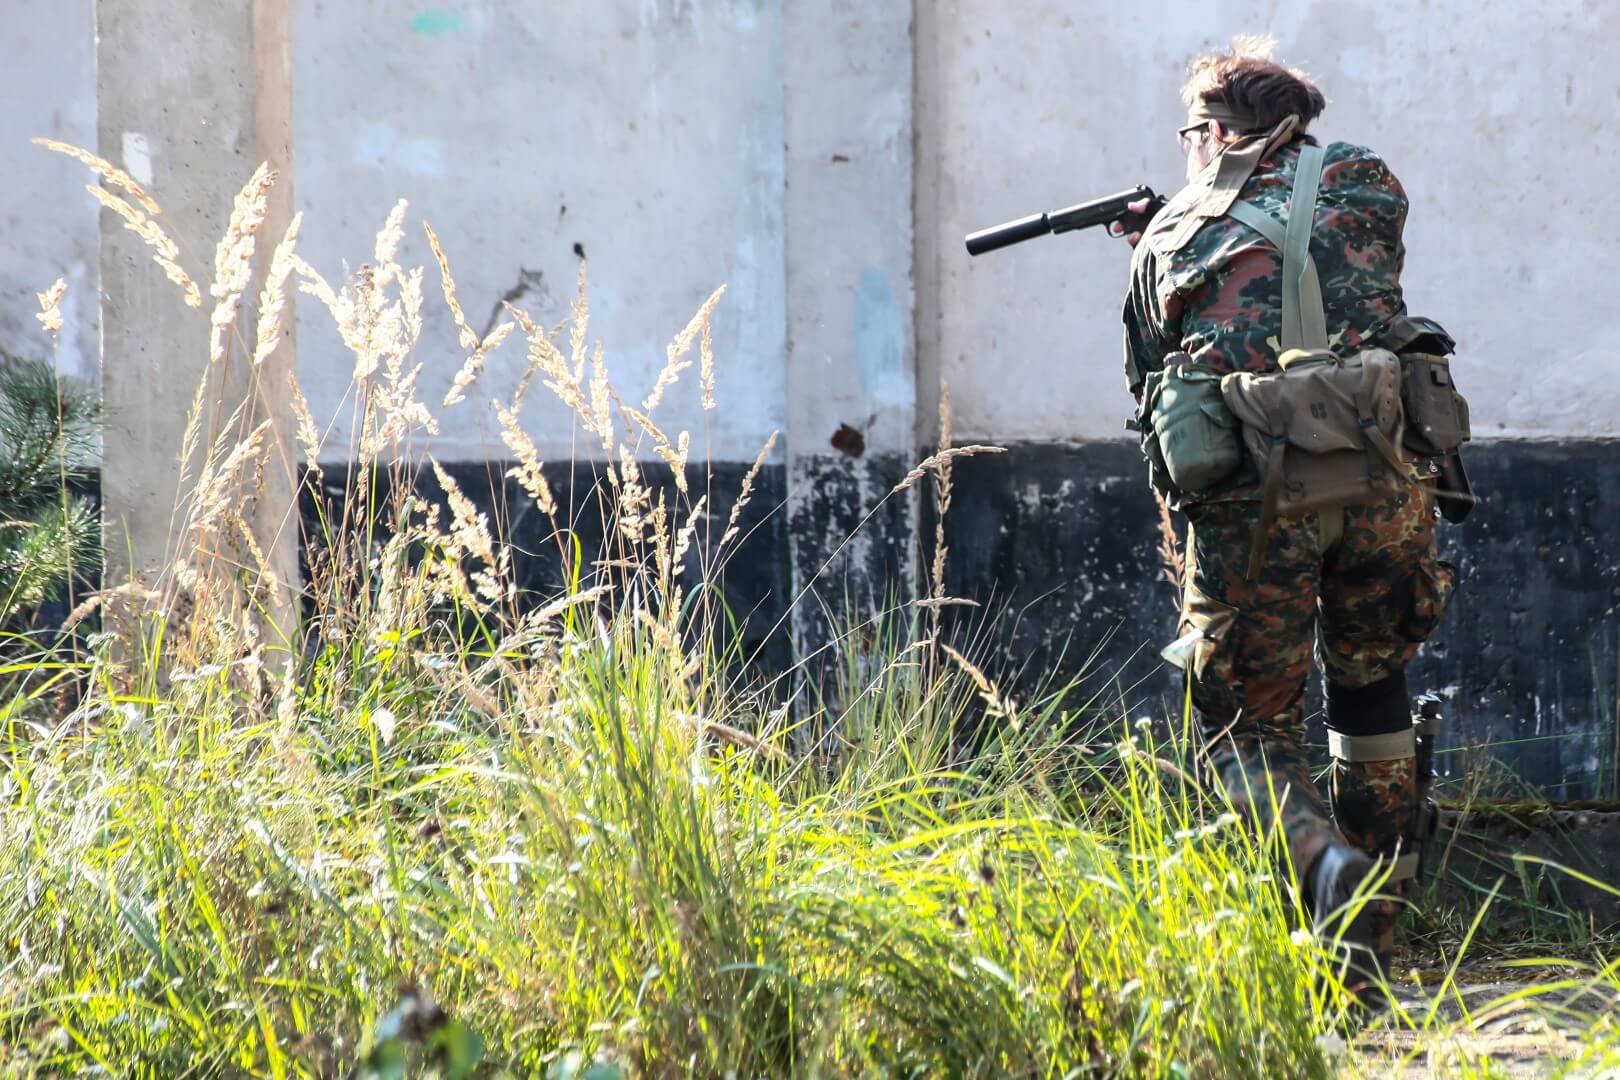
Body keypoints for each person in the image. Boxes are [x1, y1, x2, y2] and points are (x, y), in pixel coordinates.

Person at [1116, 38, 1457, 991]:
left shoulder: (1172, 235)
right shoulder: (1369, 185)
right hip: (1387, 475)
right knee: (1371, 685)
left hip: (1257, 498)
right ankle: (1382, 942)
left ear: (1218, 133)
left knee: (1243, 725)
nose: (1186, 149)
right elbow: (1317, 253)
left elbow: (1151, 375)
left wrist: (1165, 228)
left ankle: (1322, 864)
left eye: (1193, 133)